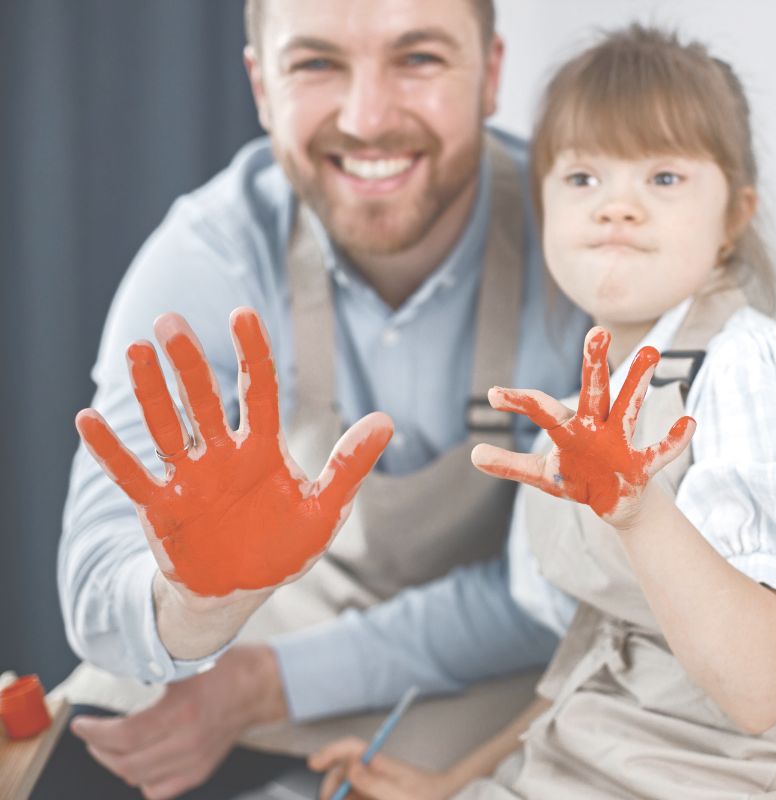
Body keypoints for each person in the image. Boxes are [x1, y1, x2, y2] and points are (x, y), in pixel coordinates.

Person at [310, 24, 776, 800]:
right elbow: (598, 654)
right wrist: (452, 783)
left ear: (734, 217)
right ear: (545, 209)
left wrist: (639, 512)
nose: (617, 206)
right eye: (583, 178)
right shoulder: (576, 408)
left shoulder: (775, 372)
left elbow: (767, 691)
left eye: (663, 178)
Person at [51, 0, 588, 798]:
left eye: (419, 59)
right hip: (238, 636)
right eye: (315, 63)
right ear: (260, 86)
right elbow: (99, 589)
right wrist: (195, 604)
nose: (368, 118)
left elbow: (558, 588)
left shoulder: (584, 242)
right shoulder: (209, 254)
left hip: (489, 668)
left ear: (492, 75)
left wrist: (267, 685)